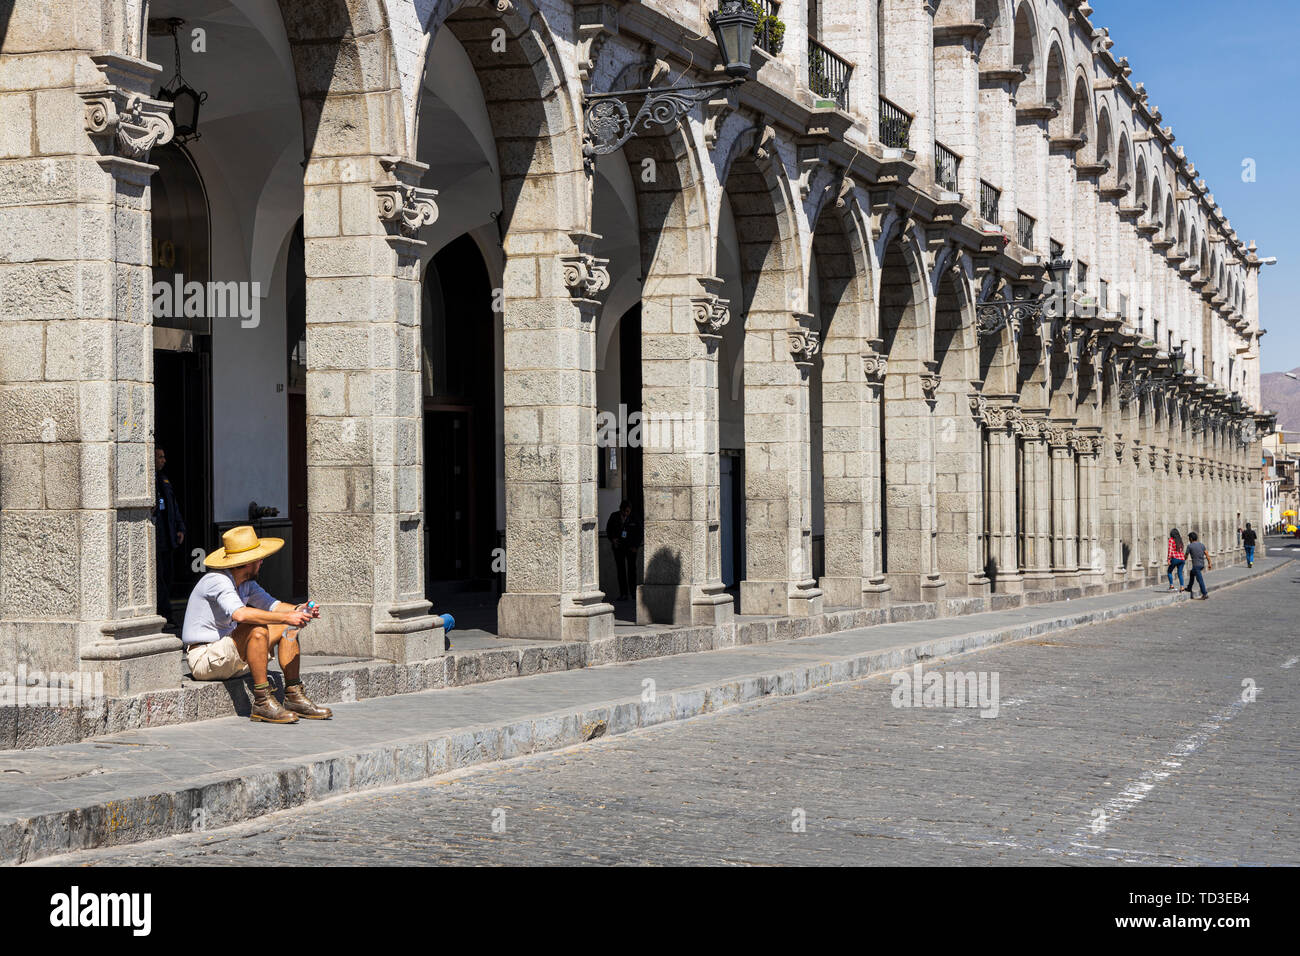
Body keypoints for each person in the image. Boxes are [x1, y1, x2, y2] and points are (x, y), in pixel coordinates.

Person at [182, 525, 330, 723]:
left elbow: (274, 606)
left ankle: (294, 695)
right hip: (205, 660)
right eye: (258, 558)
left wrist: (299, 611)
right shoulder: (216, 580)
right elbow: (240, 615)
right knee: (256, 627)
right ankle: (261, 702)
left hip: (230, 657)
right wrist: (286, 617)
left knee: (289, 626)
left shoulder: (246, 584)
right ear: (247, 562)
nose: (262, 561)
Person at [153, 447, 186, 629]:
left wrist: (180, 528)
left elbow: (173, 506)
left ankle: (167, 612)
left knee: (168, 576)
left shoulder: (164, 480)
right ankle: (165, 615)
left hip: (168, 538)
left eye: (164, 457)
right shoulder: (148, 480)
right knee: (159, 580)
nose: (163, 460)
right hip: (156, 539)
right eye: (159, 457)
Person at [605, 499, 641, 602]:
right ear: (621, 509)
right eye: (624, 511)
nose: (626, 514)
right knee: (621, 571)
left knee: (632, 570)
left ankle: (633, 593)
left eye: (628, 511)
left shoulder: (634, 517)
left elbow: (640, 532)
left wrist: (636, 546)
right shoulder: (614, 516)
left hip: (631, 548)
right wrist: (613, 539)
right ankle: (623, 593)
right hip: (619, 547)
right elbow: (608, 529)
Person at [1182, 531, 1211, 600]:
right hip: (1201, 564)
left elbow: (1186, 556)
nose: (1189, 539)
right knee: (1192, 573)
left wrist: (1182, 560)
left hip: (1196, 565)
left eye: (1189, 538)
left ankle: (1204, 593)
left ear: (1191, 539)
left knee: (1199, 579)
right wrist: (1209, 563)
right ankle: (1189, 587)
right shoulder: (1201, 545)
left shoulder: (1190, 546)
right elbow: (1207, 554)